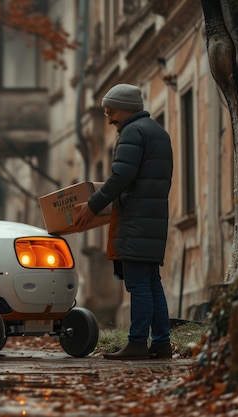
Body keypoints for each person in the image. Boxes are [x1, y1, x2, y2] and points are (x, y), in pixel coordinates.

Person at [73, 83, 173, 360]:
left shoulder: (133, 132)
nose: (109, 119)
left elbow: (121, 177)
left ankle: (138, 342)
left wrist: (93, 205)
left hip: (136, 221)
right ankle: (162, 343)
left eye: (111, 112)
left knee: (139, 285)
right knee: (152, 283)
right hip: (151, 220)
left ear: (128, 108)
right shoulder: (157, 132)